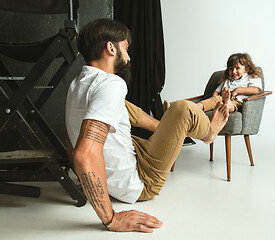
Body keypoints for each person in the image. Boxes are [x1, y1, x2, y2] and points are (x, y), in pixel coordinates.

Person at [64, 18, 229, 233]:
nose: (129, 56)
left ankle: (168, 127)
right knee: (183, 109)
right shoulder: (111, 84)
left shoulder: (77, 84)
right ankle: (209, 133)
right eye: (126, 48)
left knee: (123, 106)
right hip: (140, 181)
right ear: (111, 48)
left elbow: (70, 140)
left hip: (122, 168)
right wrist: (110, 219)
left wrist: (86, 183)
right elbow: (83, 155)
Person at [197, 53, 263, 113]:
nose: (234, 71)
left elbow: (255, 90)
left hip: (237, 102)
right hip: (221, 100)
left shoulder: (251, 77)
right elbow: (216, 92)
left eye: (237, 68)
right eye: (231, 69)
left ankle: (225, 105)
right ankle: (198, 107)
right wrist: (214, 99)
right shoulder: (227, 80)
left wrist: (237, 91)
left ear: (247, 69)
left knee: (232, 105)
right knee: (218, 99)